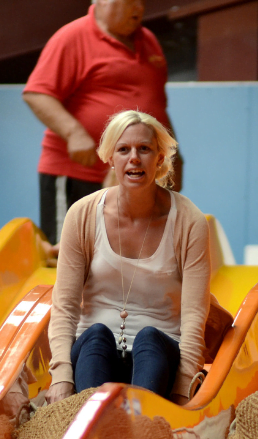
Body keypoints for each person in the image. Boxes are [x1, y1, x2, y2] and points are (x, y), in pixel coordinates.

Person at [46, 110, 209, 406]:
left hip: (159, 361)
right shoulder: (83, 214)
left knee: (150, 337)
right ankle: (90, 417)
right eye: (124, 149)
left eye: (144, 149)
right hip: (94, 355)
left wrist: (184, 386)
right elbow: (65, 306)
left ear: (159, 158)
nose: (134, 158)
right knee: (96, 334)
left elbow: (195, 314)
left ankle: (143, 421)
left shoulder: (189, 220)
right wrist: (61, 377)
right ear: (111, 158)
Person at [23, 0, 179, 246]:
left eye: (141, 1)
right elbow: (37, 93)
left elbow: (156, 107)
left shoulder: (149, 40)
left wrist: (171, 154)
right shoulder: (73, 36)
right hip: (77, 174)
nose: (139, 8)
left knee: (128, 261)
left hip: (134, 179)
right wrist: (74, 132)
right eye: (130, 1)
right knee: (70, 258)